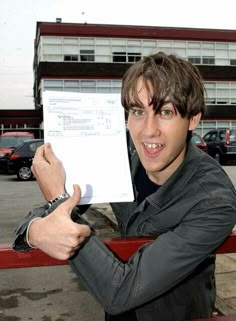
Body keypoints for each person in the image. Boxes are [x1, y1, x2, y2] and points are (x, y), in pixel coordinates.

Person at [13, 52, 236, 321]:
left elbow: (120, 292)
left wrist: (58, 201)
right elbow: (45, 214)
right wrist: (34, 231)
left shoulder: (214, 201)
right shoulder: (122, 162)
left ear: (193, 119)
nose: (148, 131)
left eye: (165, 112)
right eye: (138, 111)